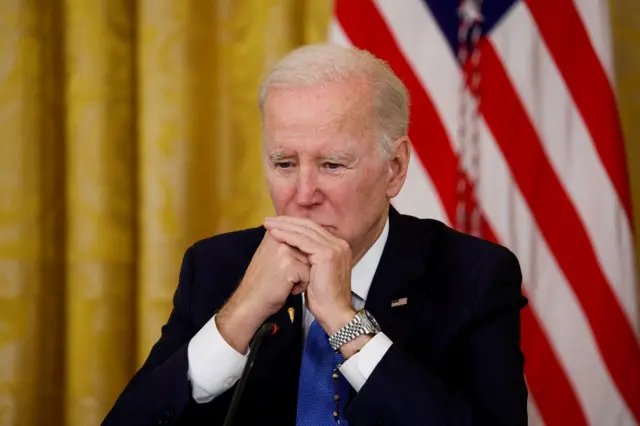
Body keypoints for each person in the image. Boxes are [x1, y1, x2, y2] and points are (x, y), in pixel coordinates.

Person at [102, 44, 528, 426]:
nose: (303, 195)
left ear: (395, 168)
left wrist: (346, 324)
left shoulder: (473, 276)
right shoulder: (216, 267)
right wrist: (240, 315)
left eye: (332, 165)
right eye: (284, 164)